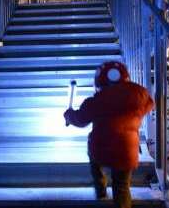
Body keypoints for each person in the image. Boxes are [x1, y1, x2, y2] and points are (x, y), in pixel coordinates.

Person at [63, 61, 154, 208]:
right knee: (122, 186)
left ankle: (101, 190)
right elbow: (149, 104)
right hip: (127, 151)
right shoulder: (139, 95)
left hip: (101, 150)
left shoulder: (95, 102)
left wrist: (68, 115)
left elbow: (80, 120)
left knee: (94, 161)